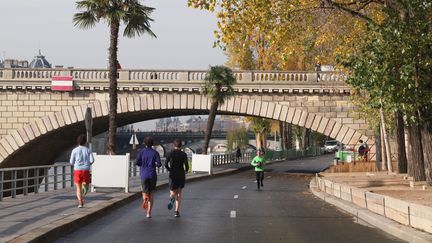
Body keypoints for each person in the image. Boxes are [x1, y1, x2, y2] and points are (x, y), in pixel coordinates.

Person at [135, 136, 162, 218]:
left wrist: (142, 164)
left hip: (144, 174)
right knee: (151, 193)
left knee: (144, 191)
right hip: (152, 174)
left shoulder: (141, 152)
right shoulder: (155, 153)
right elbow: (159, 164)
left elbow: (137, 162)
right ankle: (149, 213)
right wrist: (155, 164)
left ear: (144, 144)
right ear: (152, 144)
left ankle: (145, 199)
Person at [164, 139, 189, 218]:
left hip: (173, 174)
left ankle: (172, 198)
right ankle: (176, 211)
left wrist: (169, 169)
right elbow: (186, 165)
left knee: (172, 191)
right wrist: (186, 171)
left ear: (173, 145)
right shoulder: (183, 154)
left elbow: (165, 164)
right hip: (181, 174)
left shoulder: (170, 153)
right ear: (181, 146)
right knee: (179, 193)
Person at [69, 134, 94, 208]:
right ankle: (83, 194)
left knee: (78, 188)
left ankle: (80, 202)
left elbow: (71, 162)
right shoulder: (88, 150)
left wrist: (75, 164)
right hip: (86, 170)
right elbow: (92, 160)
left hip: (77, 170)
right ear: (85, 142)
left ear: (78, 142)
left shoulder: (74, 150)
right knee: (86, 186)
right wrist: (87, 164)